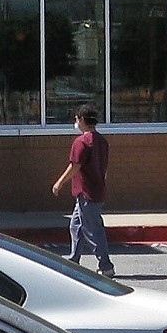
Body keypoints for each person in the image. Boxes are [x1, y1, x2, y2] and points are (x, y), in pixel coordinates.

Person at [51, 104, 113, 277]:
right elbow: (104, 167)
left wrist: (59, 182)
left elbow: (75, 165)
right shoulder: (102, 141)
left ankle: (106, 266)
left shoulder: (81, 142)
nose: (76, 122)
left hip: (87, 192)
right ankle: (73, 260)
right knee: (76, 225)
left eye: (77, 119)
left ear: (82, 120)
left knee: (93, 229)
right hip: (95, 190)